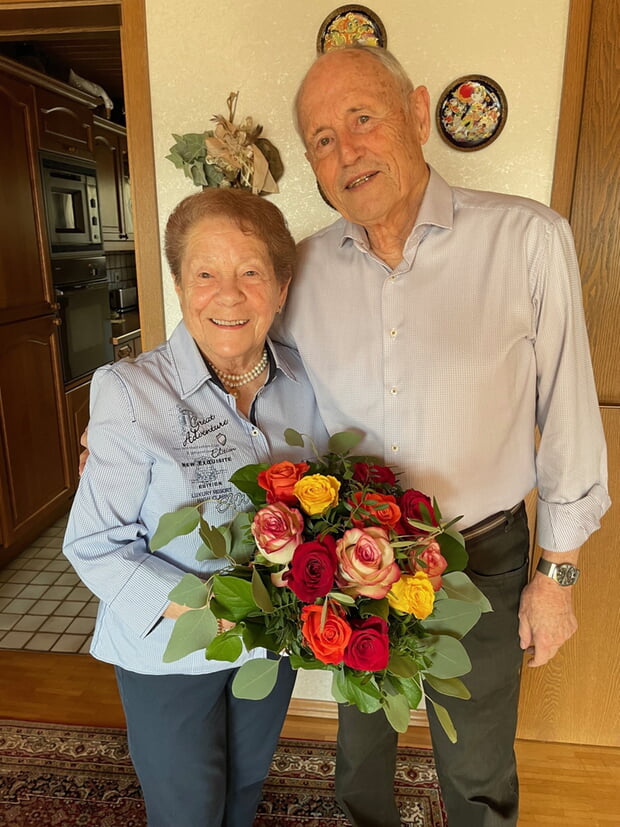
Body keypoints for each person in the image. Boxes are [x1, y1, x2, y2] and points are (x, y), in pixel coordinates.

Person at [274, 44, 611, 827]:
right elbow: (257, 392)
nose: (346, 150)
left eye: (363, 118)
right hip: (354, 558)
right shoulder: (301, 272)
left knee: (478, 761)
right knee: (360, 753)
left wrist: (556, 579)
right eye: (322, 139)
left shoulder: (528, 239)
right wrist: (136, 419)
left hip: (483, 555)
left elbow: (567, 411)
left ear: (418, 114)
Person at [63, 188, 328, 827]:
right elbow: (94, 543)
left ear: (282, 287)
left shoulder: (309, 385)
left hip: (271, 639)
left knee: (244, 788)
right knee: (186, 808)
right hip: (169, 650)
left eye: (251, 272)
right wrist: (211, 615)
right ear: (180, 285)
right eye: (205, 273)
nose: (228, 294)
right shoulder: (129, 393)